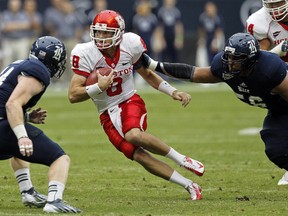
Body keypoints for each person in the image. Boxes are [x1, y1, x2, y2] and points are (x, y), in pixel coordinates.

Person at [68, 10, 204, 200]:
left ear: (119, 33)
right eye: (98, 32)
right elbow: (73, 95)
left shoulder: (130, 44)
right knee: (139, 156)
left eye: (107, 33)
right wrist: (98, 87)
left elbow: (147, 74)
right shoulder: (85, 53)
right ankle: (190, 185)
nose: (101, 37)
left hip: (129, 100)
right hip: (106, 114)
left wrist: (173, 91)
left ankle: (182, 159)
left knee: (133, 134)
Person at [143, 32, 288, 188]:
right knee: (276, 149)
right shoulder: (224, 68)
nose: (230, 63)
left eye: (236, 59)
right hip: (277, 109)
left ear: (250, 61)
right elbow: (193, 73)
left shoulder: (269, 71)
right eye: (228, 57)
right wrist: (154, 65)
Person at [0, 36, 81, 213]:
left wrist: (26, 117)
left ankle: (28, 192)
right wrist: (22, 137)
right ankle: (54, 201)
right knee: (60, 158)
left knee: (17, 146)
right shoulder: (38, 70)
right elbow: (11, 104)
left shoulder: (19, 64)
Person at [246, 0, 288, 184]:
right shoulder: (258, 21)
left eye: (279, 2)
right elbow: (259, 59)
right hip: (282, 80)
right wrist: (279, 50)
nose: (275, 8)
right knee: (276, 145)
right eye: (271, 4)